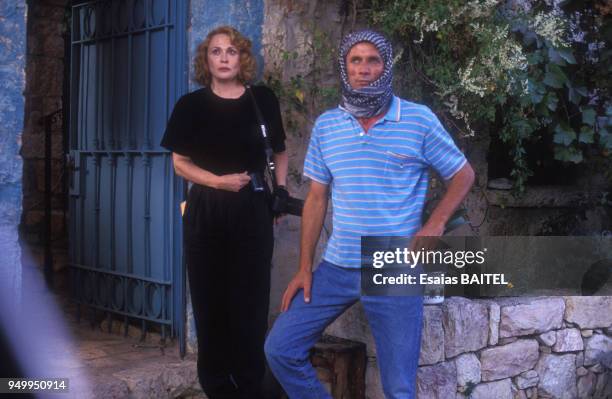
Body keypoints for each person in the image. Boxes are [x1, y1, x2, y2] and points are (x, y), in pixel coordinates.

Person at [264, 30, 475, 398]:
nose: (364, 69)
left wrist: (435, 224)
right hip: (337, 265)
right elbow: (316, 199)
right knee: (280, 348)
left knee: (399, 388)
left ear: (386, 66)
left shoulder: (417, 120)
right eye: (355, 60)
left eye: (373, 60)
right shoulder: (328, 126)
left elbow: (463, 174)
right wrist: (303, 268)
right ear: (345, 67)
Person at [160, 26, 288, 399]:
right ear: (207, 60)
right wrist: (216, 182)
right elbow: (179, 163)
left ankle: (249, 384)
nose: (224, 58)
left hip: (252, 206)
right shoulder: (191, 105)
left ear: (242, 58)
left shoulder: (262, 99)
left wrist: (280, 189)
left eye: (231, 51)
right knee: (208, 297)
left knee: (250, 299)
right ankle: (217, 387)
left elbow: (279, 150)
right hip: (205, 208)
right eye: (216, 52)